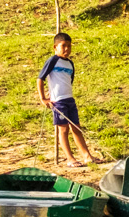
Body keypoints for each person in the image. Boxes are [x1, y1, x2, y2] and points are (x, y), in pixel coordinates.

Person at [38, 32, 106, 164]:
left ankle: (87, 156)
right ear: (55, 47)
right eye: (63, 46)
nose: (67, 49)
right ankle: (70, 159)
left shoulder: (70, 64)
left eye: (69, 46)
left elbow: (69, 81)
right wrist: (43, 98)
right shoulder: (53, 61)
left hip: (70, 99)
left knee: (76, 128)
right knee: (63, 129)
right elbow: (40, 78)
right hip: (58, 101)